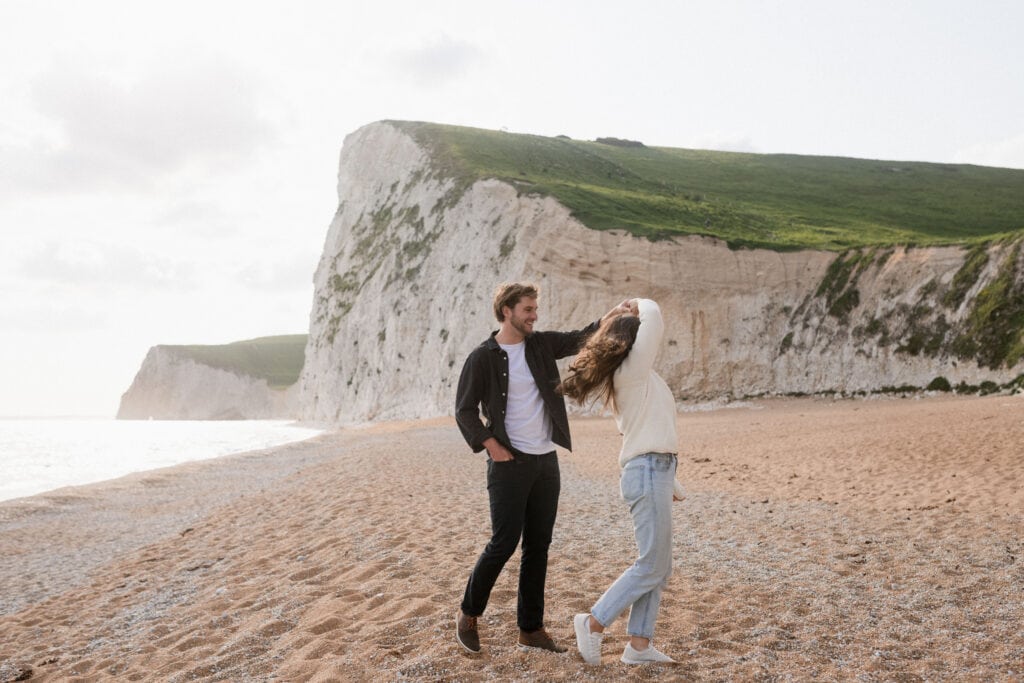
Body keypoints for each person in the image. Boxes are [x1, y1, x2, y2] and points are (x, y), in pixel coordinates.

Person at [454, 282, 628, 655]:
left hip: (546, 461)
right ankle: (469, 614)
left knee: (539, 547)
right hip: (509, 464)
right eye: (528, 310)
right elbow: (464, 410)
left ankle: (530, 629)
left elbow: (580, 338)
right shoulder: (482, 357)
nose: (534, 316)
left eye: (535, 309)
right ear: (507, 311)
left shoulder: (540, 345)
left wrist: (612, 316)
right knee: (503, 543)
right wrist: (492, 446)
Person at [559, 298, 686, 666]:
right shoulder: (632, 372)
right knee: (651, 564)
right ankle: (593, 621)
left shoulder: (639, 377)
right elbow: (656, 317)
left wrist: (670, 482)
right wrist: (637, 303)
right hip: (646, 472)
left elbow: (653, 429)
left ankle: (639, 646)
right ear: (634, 342)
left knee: (658, 566)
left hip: (654, 472)